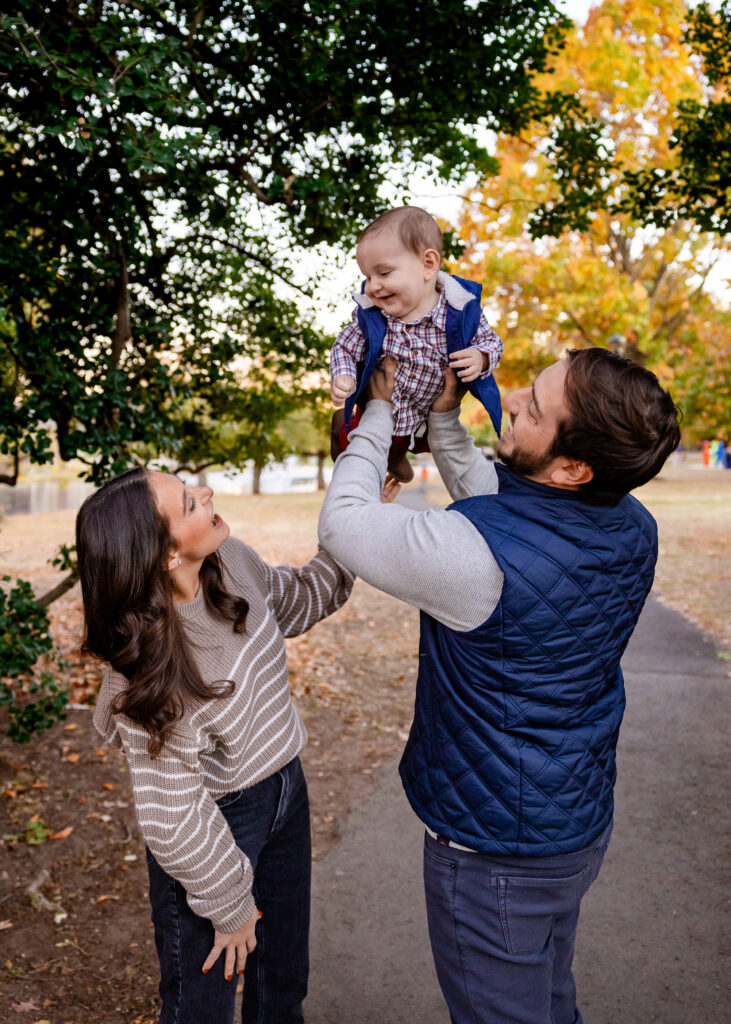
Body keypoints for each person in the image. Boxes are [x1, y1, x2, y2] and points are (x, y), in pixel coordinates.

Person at [319, 348, 681, 1024]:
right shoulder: (631, 525)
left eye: (533, 408)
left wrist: (374, 413)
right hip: (569, 820)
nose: (509, 398)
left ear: (573, 466)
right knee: (547, 997)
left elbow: (342, 524)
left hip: (495, 857)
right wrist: (445, 420)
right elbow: (507, 506)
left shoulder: (469, 558)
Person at [75, 469, 354, 1024]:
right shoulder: (150, 680)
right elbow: (173, 818)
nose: (206, 494)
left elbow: (295, 600)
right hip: (213, 827)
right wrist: (228, 905)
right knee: (201, 1002)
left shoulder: (233, 564)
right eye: (189, 503)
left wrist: (352, 535)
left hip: (283, 791)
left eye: (192, 487)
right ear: (165, 555)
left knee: (283, 978)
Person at [329, 205, 503, 482]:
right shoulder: (374, 316)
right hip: (384, 404)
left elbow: (492, 342)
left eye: (383, 273)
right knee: (351, 443)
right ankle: (348, 437)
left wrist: (481, 357)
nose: (372, 286)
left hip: (426, 415)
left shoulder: (461, 312)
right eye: (367, 276)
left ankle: (396, 458)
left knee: (421, 443)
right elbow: (344, 346)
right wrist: (344, 376)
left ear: (428, 265)